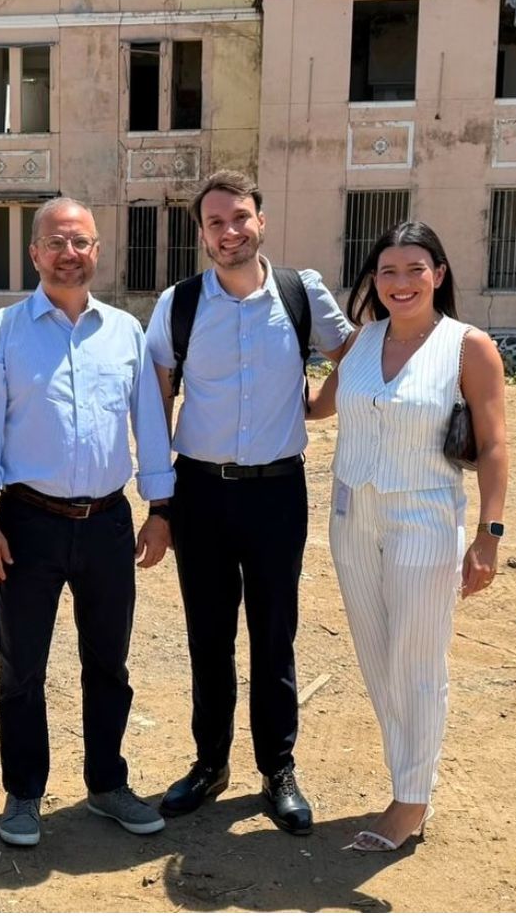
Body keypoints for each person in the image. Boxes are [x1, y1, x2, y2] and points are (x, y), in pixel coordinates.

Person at [0, 197, 174, 847]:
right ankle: (24, 792)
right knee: (20, 663)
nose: (68, 253)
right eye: (55, 242)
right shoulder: (1, 331)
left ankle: (107, 784)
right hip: (28, 523)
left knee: (108, 662)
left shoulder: (124, 334)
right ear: (33, 253)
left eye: (80, 242)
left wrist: (160, 509)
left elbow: (150, 427)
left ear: (97, 250)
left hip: (108, 522)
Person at [144, 171, 352, 835]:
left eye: (239, 218)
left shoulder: (300, 293)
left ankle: (277, 769)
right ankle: (209, 764)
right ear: (201, 234)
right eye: (214, 223)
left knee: (274, 634)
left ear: (260, 221)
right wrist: (158, 501)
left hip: (276, 493)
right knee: (208, 636)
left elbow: (354, 352)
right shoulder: (178, 305)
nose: (228, 231)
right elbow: (157, 401)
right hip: (200, 492)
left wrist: (319, 405)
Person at [308, 221, 508, 852]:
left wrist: (489, 535)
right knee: (376, 656)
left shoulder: (466, 347)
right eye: (387, 272)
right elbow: (319, 408)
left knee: (416, 661)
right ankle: (407, 777)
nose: (400, 283)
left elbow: (495, 443)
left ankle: (411, 800)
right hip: (352, 517)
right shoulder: (363, 342)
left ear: (439, 275)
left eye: (414, 270)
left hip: (425, 517)